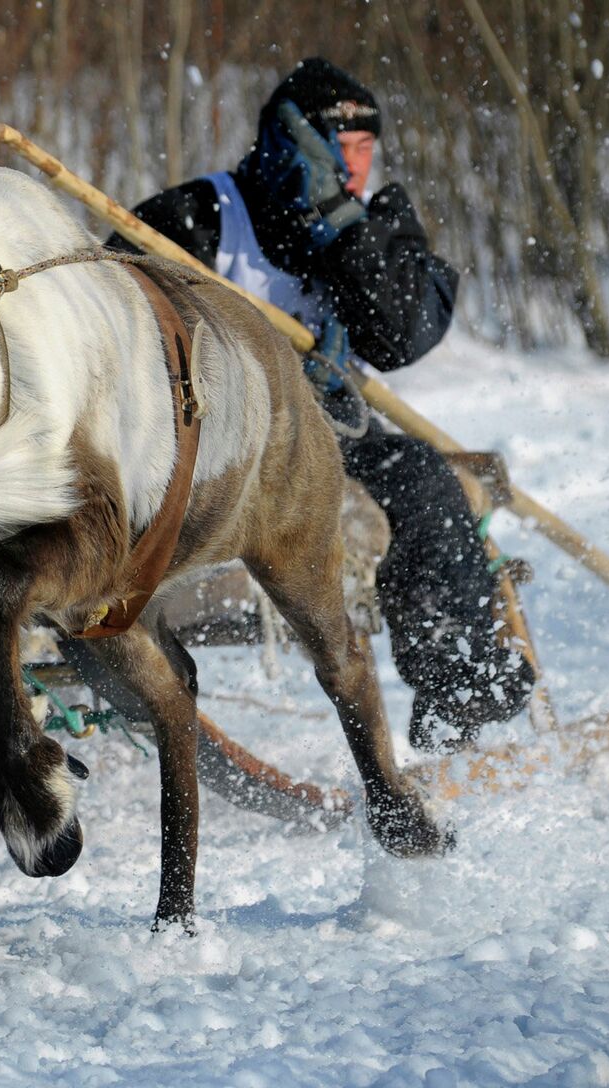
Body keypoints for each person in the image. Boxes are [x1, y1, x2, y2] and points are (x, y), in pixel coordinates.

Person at [109, 57, 534, 751]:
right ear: (289, 145)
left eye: (368, 149)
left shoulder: (379, 227)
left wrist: (339, 222)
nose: (359, 167)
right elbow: (110, 341)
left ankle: (458, 683)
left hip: (331, 440)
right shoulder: (197, 218)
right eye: (342, 150)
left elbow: (397, 337)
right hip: (209, 443)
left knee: (425, 480)